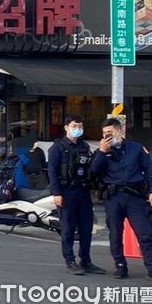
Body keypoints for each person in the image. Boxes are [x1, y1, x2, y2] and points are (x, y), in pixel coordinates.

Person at [91, 118, 152, 283]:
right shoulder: (102, 151)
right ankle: (120, 265)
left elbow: (149, 171)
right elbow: (94, 171)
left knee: (144, 233)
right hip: (113, 197)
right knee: (115, 233)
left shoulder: (136, 148)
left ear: (120, 131)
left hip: (135, 197)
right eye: (104, 134)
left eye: (110, 133)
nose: (107, 136)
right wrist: (102, 152)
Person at [48, 115, 104, 276]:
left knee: (86, 228)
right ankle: (70, 261)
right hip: (66, 193)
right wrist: (56, 193)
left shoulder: (85, 146)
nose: (78, 129)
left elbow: (92, 168)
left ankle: (85, 260)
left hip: (83, 192)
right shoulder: (58, 147)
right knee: (68, 228)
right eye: (74, 126)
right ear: (66, 127)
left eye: (80, 126)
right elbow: (52, 171)